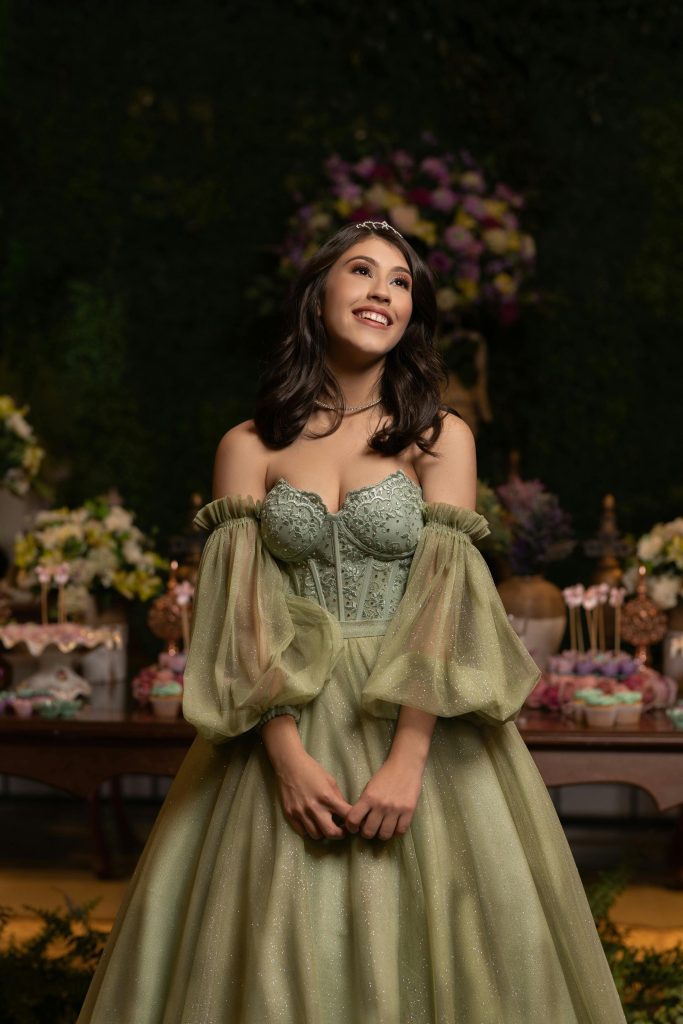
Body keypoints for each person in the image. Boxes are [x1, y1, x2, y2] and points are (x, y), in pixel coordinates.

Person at [78, 221, 626, 1023]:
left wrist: (407, 761)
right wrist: (284, 752)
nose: (381, 291)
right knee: (269, 948)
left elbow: (448, 603)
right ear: (317, 294)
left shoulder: (438, 438)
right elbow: (239, 613)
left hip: (421, 722)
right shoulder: (248, 444)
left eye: (400, 281)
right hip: (279, 723)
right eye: (361, 271)